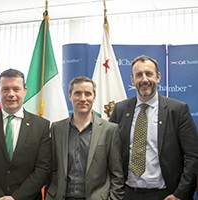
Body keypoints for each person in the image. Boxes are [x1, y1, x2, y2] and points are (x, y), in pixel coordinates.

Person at [109, 55, 198, 200]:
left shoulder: (177, 110)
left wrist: (180, 194)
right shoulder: (120, 110)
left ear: (158, 77)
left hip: (165, 195)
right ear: (132, 80)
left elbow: (193, 156)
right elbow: (110, 153)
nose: (144, 79)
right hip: (126, 194)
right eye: (139, 75)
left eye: (149, 74)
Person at [0, 68, 51, 200]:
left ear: (25, 91)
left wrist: (16, 198)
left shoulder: (41, 126)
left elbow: (43, 169)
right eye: (5, 89)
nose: (11, 94)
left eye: (16, 89)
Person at [45, 76, 124, 200]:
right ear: (69, 96)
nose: (83, 99)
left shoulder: (109, 130)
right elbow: (52, 169)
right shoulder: (57, 128)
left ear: (94, 97)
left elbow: (117, 175)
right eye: (77, 93)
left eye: (88, 94)